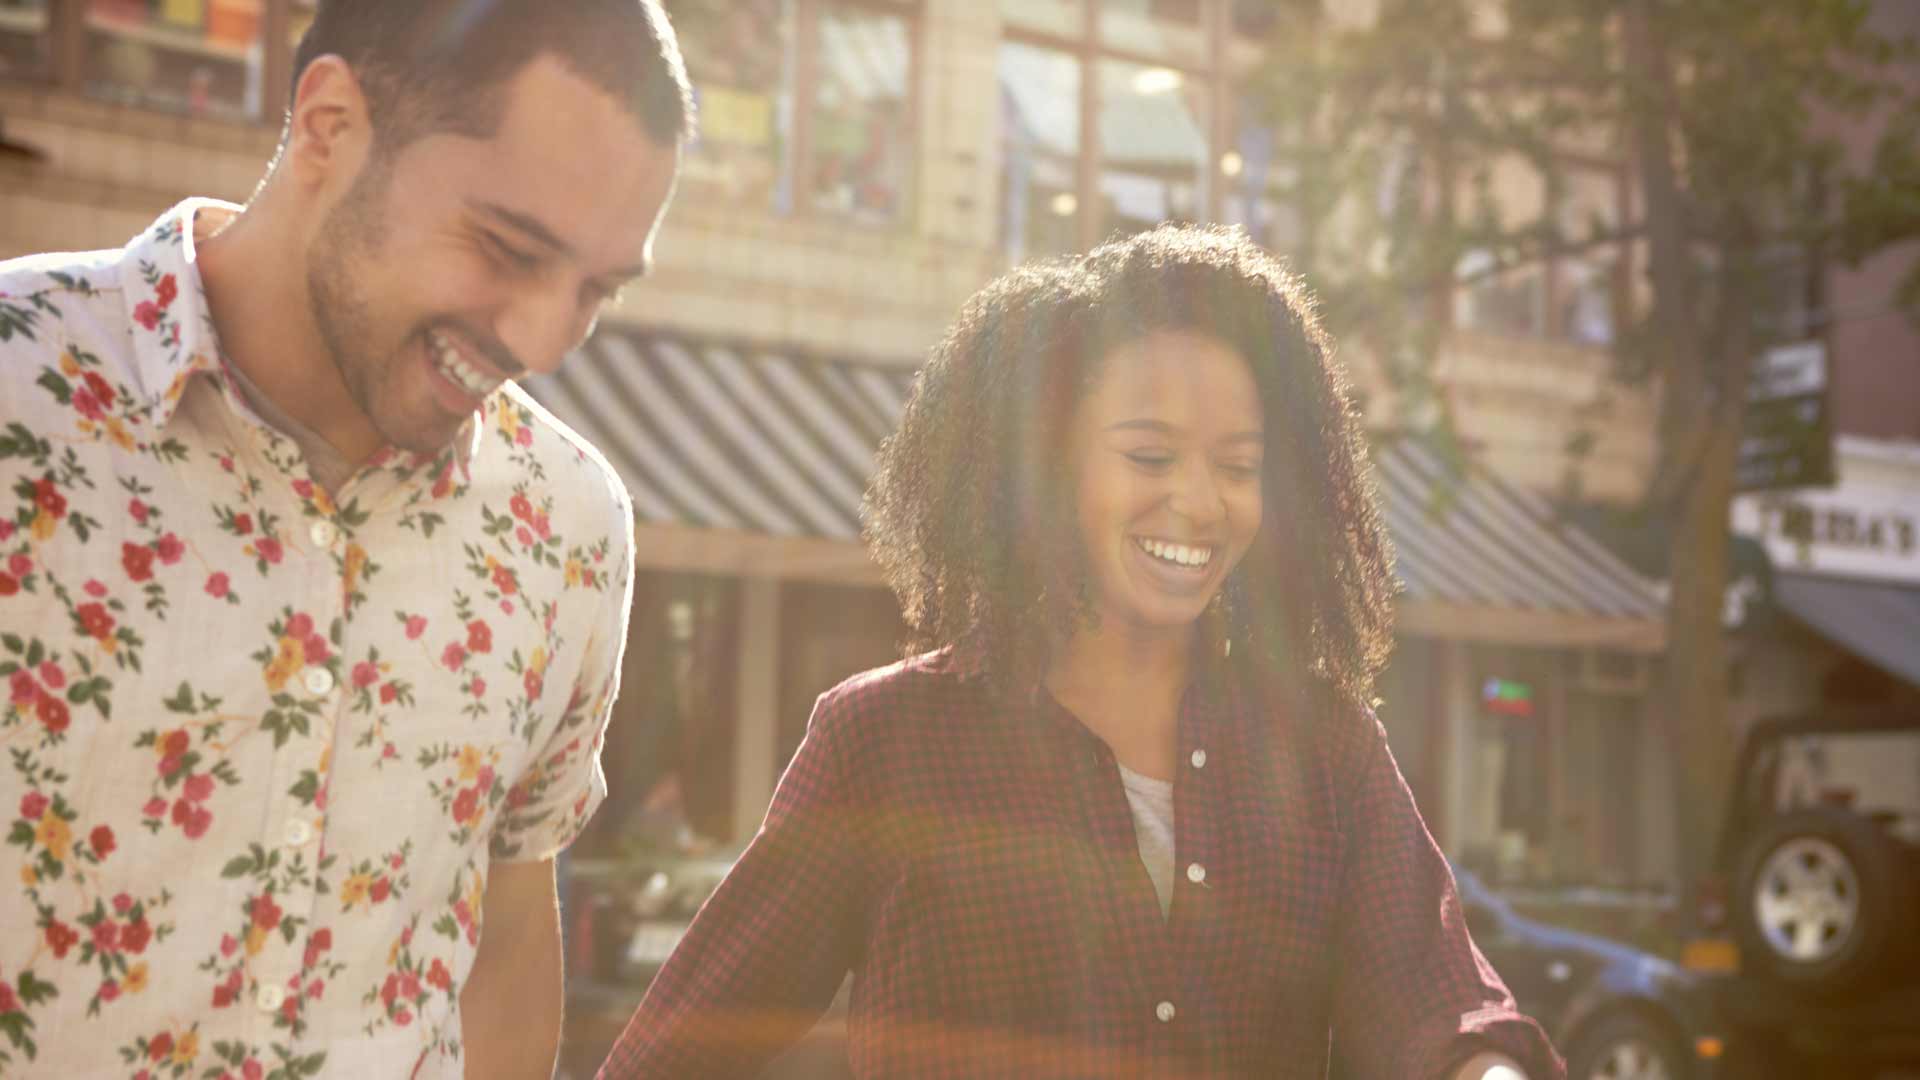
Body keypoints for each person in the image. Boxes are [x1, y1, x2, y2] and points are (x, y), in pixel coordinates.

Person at [599, 226, 1564, 1079]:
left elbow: (1436, 1000)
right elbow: (686, 1044)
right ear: (1049, 468)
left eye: (1237, 466)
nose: (1197, 501)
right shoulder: (886, 740)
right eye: (1149, 457)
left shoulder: (1326, 749)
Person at [0, 1, 690, 1075]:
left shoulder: (570, 525)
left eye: (596, 289)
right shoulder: (17, 398)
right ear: (328, 123)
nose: (544, 340)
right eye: (509, 247)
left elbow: (506, 936)